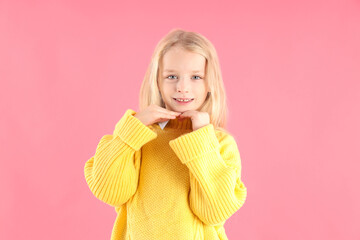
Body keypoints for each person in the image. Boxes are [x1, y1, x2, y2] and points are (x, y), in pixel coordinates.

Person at [84, 28, 247, 240]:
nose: (182, 87)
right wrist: (132, 130)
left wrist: (201, 140)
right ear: (158, 83)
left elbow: (215, 212)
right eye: (171, 76)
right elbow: (109, 191)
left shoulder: (219, 143)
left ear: (210, 85)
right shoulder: (137, 137)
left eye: (196, 77)